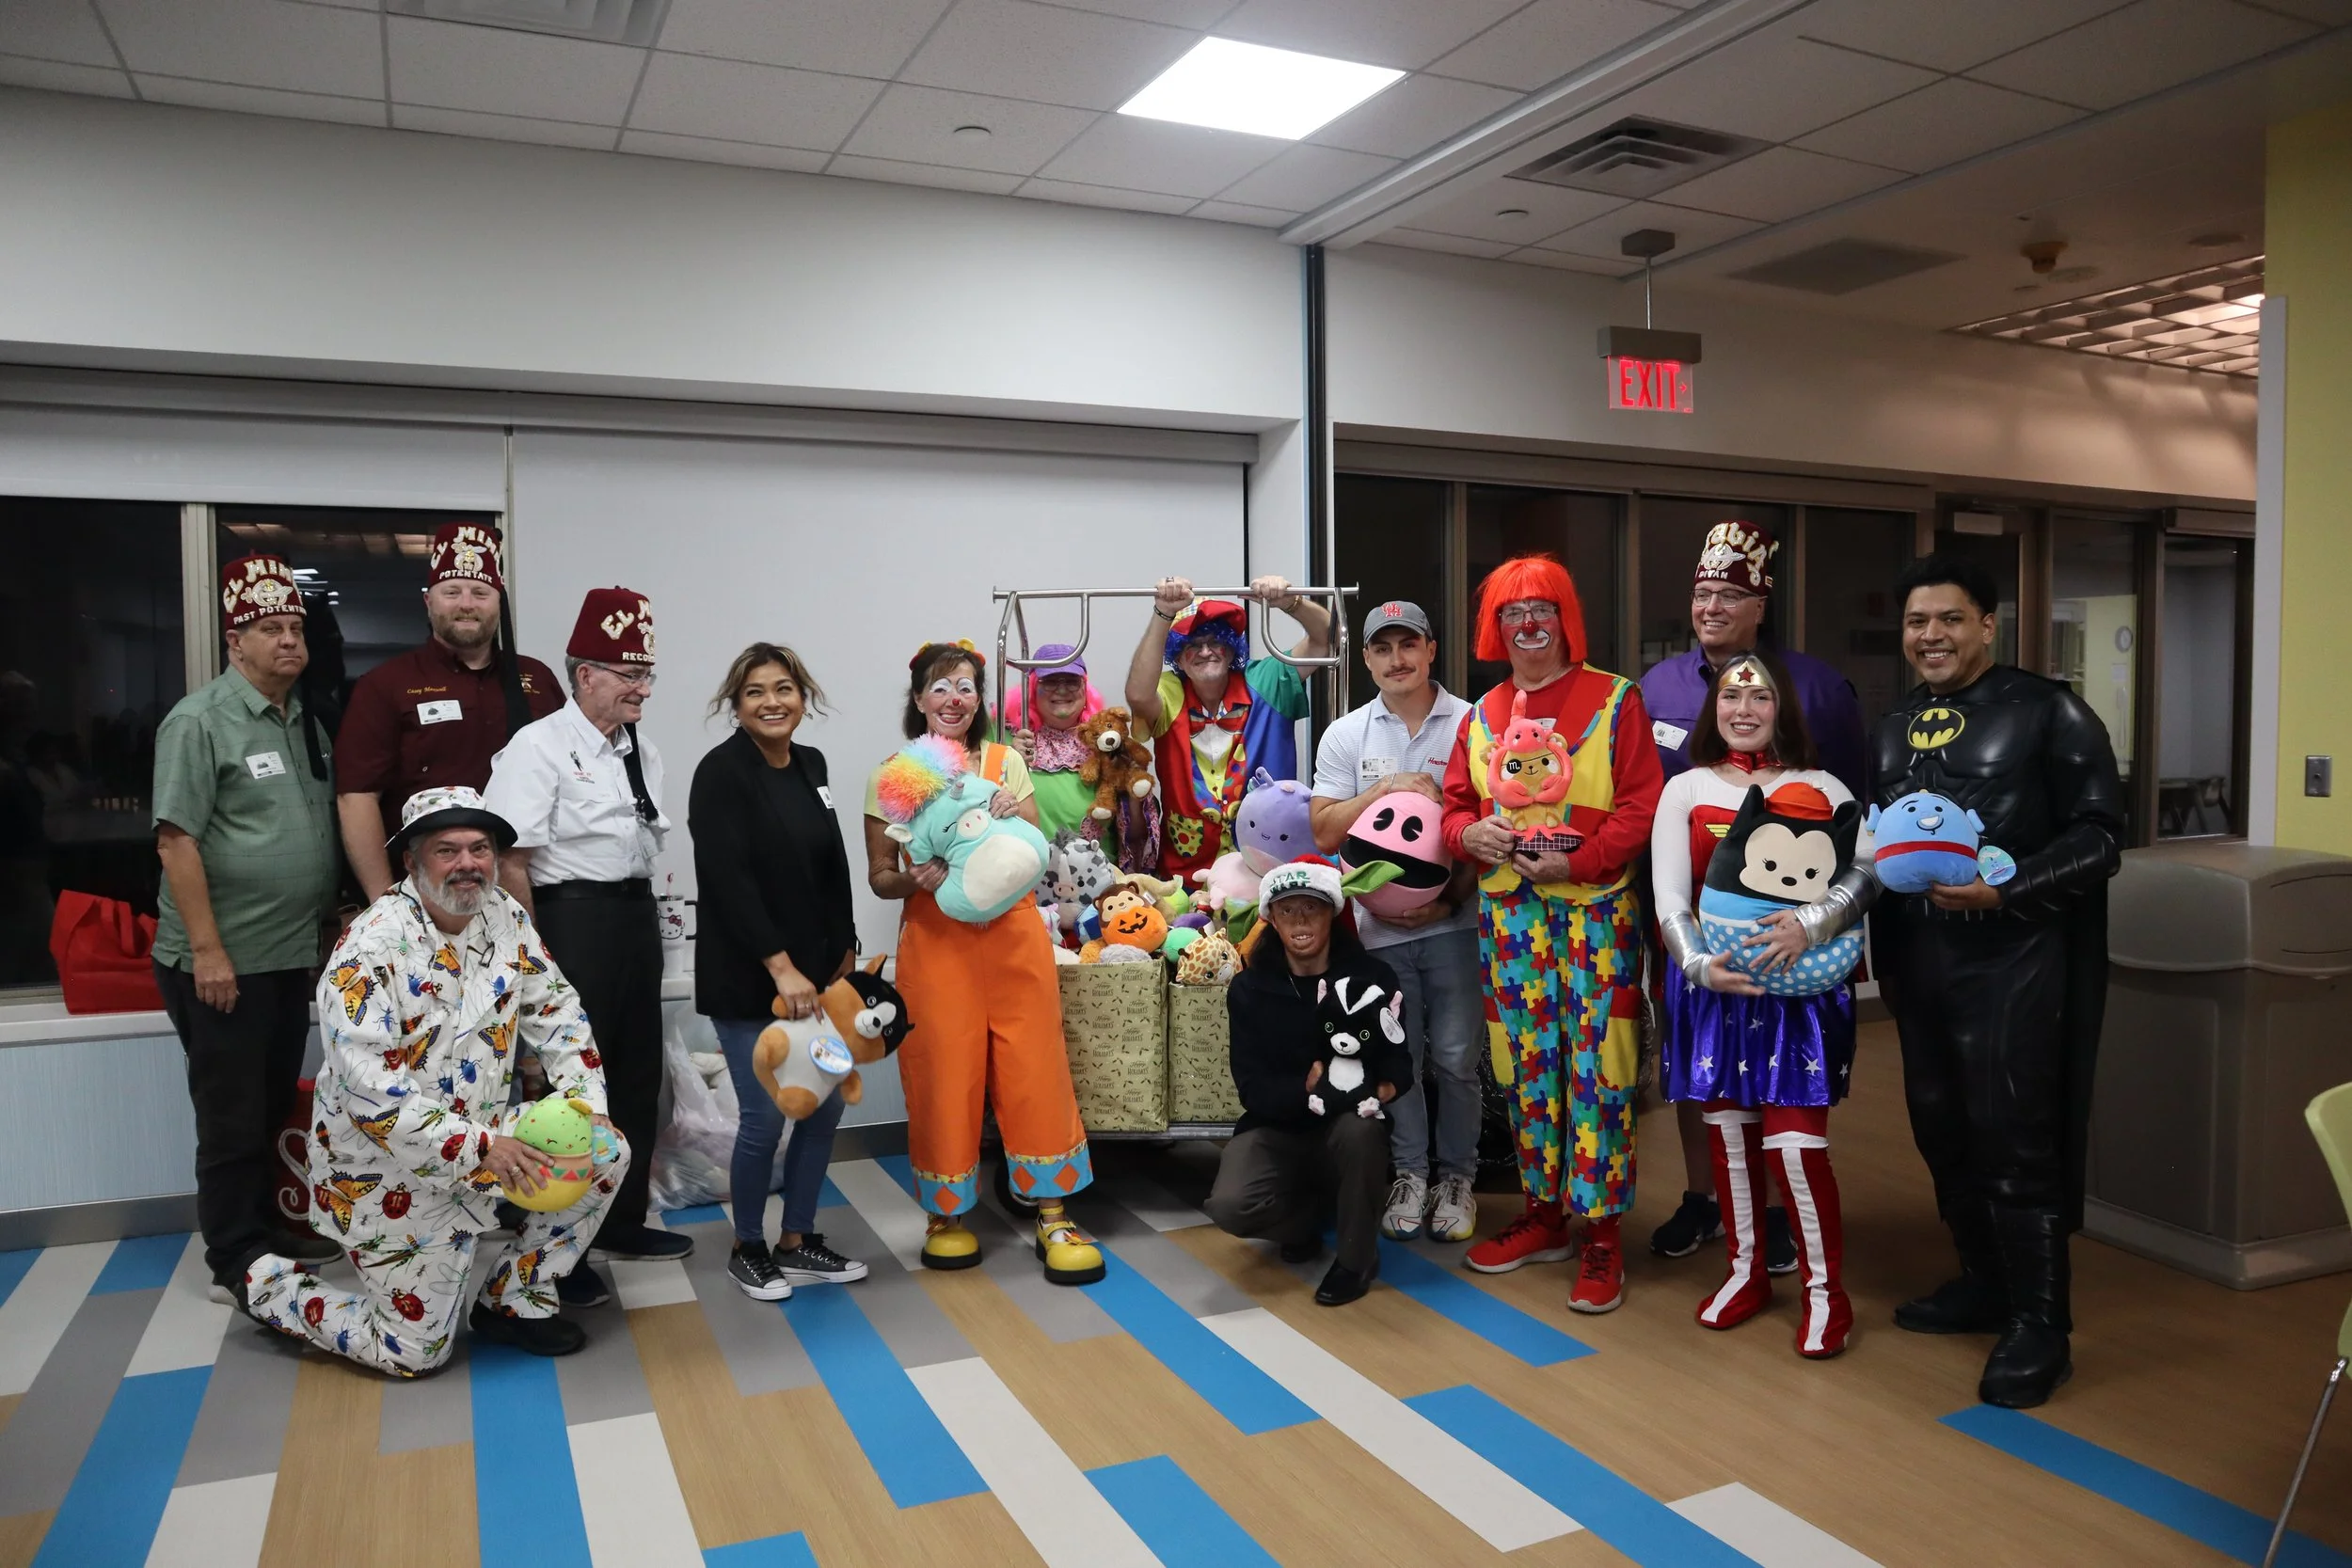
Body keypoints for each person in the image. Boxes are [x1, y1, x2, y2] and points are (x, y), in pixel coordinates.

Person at [242, 788, 626, 1371]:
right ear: (412, 863)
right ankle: (270, 1288)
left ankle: (512, 1301)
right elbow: (375, 1095)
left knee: (604, 1151)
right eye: (447, 850)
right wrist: (482, 1149)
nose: (468, 863)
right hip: (386, 1168)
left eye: (480, 848)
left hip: (486, 1134)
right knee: (415, 1355)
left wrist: (583, 1104)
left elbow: (558, 1011)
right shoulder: (368, 949)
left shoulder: (504, 914)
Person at [1870, 555, 2122, 1408]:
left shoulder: (2049, 710)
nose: (1930, 636)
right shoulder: (1898, 723)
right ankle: (1985, 1282)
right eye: (1916, 622)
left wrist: (2007, 889)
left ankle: (2043, 1323)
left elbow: (2100, 837)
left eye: (1949, 619)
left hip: (2018, 962)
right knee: (1942, 1131)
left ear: (1987, 624)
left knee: (2016, 1136)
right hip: (1924, 964)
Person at [1640, 519, 1867, 1272]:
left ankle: (1775, 1216)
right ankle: (1706, 1197)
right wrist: (1685, 942)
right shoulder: (1659, 687)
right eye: (1703, 593)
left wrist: (1820, 919)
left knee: (1778, 1077)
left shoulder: (1819, 688)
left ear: (1760, 605)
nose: (1712, 606)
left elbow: (1849, 814)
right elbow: (1648, 799)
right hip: (1689, 928)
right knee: (1696, 1064)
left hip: (1789, 927)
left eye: (1730, 594)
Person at [1440, 554, 1663, 1313]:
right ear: (1493, 628)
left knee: (1600, 1066)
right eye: (1511, 614)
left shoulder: (1615, 699)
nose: (1527, 626)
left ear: (1566, 618)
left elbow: (1640, 803)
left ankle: (1601, 1230)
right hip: (1510, 919)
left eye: (1540, 611)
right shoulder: (1479, 714)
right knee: (1525, 1062)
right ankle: (1543, 1213)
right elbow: (1453, 806)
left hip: (1596, 912)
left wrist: (1582, 862)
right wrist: (1469, 836)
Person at [1651, 651, 1872, 1358]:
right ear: (1713, 708)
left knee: (1798, 1150)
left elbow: (1870, 872)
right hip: (1716, 991)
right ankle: (1745, 1272)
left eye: (1760, 698)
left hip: (1801, 1000)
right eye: (1730, 698)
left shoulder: (1826, 785)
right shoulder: (1684, 789)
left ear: (1784, 708)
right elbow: (1667, 894)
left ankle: (1824, 1293)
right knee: (1731, 1143)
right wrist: (1696, 964)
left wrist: (1812, 922)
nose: (1744, 710)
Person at [863, 641, 1102, 1284]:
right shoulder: (894, 774)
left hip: (1015, 936)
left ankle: (1052, 1211)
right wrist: (913, 879)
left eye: (965, 687)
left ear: (980, 699)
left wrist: (1007, 813)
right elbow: (880, 876)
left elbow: (1033, 854)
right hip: (937, 942)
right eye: (939, 688)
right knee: (944, 1068)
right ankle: (947, 1214)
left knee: (1035, 1066)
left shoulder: (1007, 762)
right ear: (918, 700)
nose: (953, 700)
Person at [485, 585, 691, 1307]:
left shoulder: (641, 748)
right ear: (584, 676)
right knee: (567, 1090)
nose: (642, 688)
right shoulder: (537, 746)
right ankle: (545, 1252)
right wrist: (532, 960)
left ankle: (619, 1218)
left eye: (648, 675)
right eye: (628, 674)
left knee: (635, 1076)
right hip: (571, 922)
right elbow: (511, 863)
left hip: (634, 919)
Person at [152, 553, 343, 1299]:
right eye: (271, 629)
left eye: (296, 627)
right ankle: (233, 1258)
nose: (289, 641)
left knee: (267, 1103)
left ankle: (267, 1227)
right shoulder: (200, 721)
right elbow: (176, 840)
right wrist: (207, 950)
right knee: (230, 1118)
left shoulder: (304, 717)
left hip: (286, 953)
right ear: (236, 642)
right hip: (222, 960)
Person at [690, 642, 867, 1301]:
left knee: (821, 1112)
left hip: (817, 976)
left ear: (803, 696)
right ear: (735, 704)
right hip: (750, 978)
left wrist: (843, 943)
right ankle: (748, 1245)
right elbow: (727, 880)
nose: (772, 701)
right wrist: (781, 966)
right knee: (764, 1117)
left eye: (784, 688)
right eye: (756, 691)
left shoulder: (810, 764)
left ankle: (797, 1239)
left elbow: (832, 865)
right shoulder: (721, 772)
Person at [1309, 600, 1482, 1245]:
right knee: (1398, 1057)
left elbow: (1487, 827)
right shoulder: (1347, 733)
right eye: (1383, 649)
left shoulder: (1471, 723)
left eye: (1409, 645)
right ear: (1367, 659)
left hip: (1457, 926)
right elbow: (1324, 829)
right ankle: (1409, 1173)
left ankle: (1457, 1178)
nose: (1397, 659)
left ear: (1431, 649)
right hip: (1376, 935)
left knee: (1459, 1060)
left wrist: (1451, 898)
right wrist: (1383, 791)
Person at [1205, 859, 1406, 1307]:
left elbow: (1399, 1062)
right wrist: (1308, 1090)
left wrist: (1385, 1087)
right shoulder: (1250, 989)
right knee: (1228, 1205)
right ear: (1271, 920)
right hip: (1275, 1126)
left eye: (1311, 909)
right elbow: (1251, 1087)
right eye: (1287, 910)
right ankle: (1307, 1223)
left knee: (1361, 1132)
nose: (1299, 920)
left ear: (1332, 913)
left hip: (1347, 1126)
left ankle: (1356, 1260)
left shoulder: (1373, 979)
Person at [334, 522, 562, 901]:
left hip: (530, 893)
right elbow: (357, 798)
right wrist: (384, 902)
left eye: (480, 592)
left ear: (498, 600)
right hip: (427, 895)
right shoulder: (386, 685)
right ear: (429, 601)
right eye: (452, 591)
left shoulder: (537, 678)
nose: (466, 604)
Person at [1125, 576, 1329, 885]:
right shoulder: (1170, 692)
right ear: (1178, 658)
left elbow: (1325, 638)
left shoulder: (1266, 682)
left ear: (1233, 650)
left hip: (1270, 871)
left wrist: (1290, 601)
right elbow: (1139, 695)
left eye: (1216, 642)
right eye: (1192, 646)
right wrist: (1163, 613)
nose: (1206, 651)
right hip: (1188, 874)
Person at [1007, 642, 1157, 869]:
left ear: (1085, 690)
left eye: (1071, 681)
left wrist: (1135, 796)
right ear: (1031, 688)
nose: (1062, 689)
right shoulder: (1008, 737)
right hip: (1029, 876)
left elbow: (1135, 836)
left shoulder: (1106, 743)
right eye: (1049, 682)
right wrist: (1008, 762)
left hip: (1098, 880)